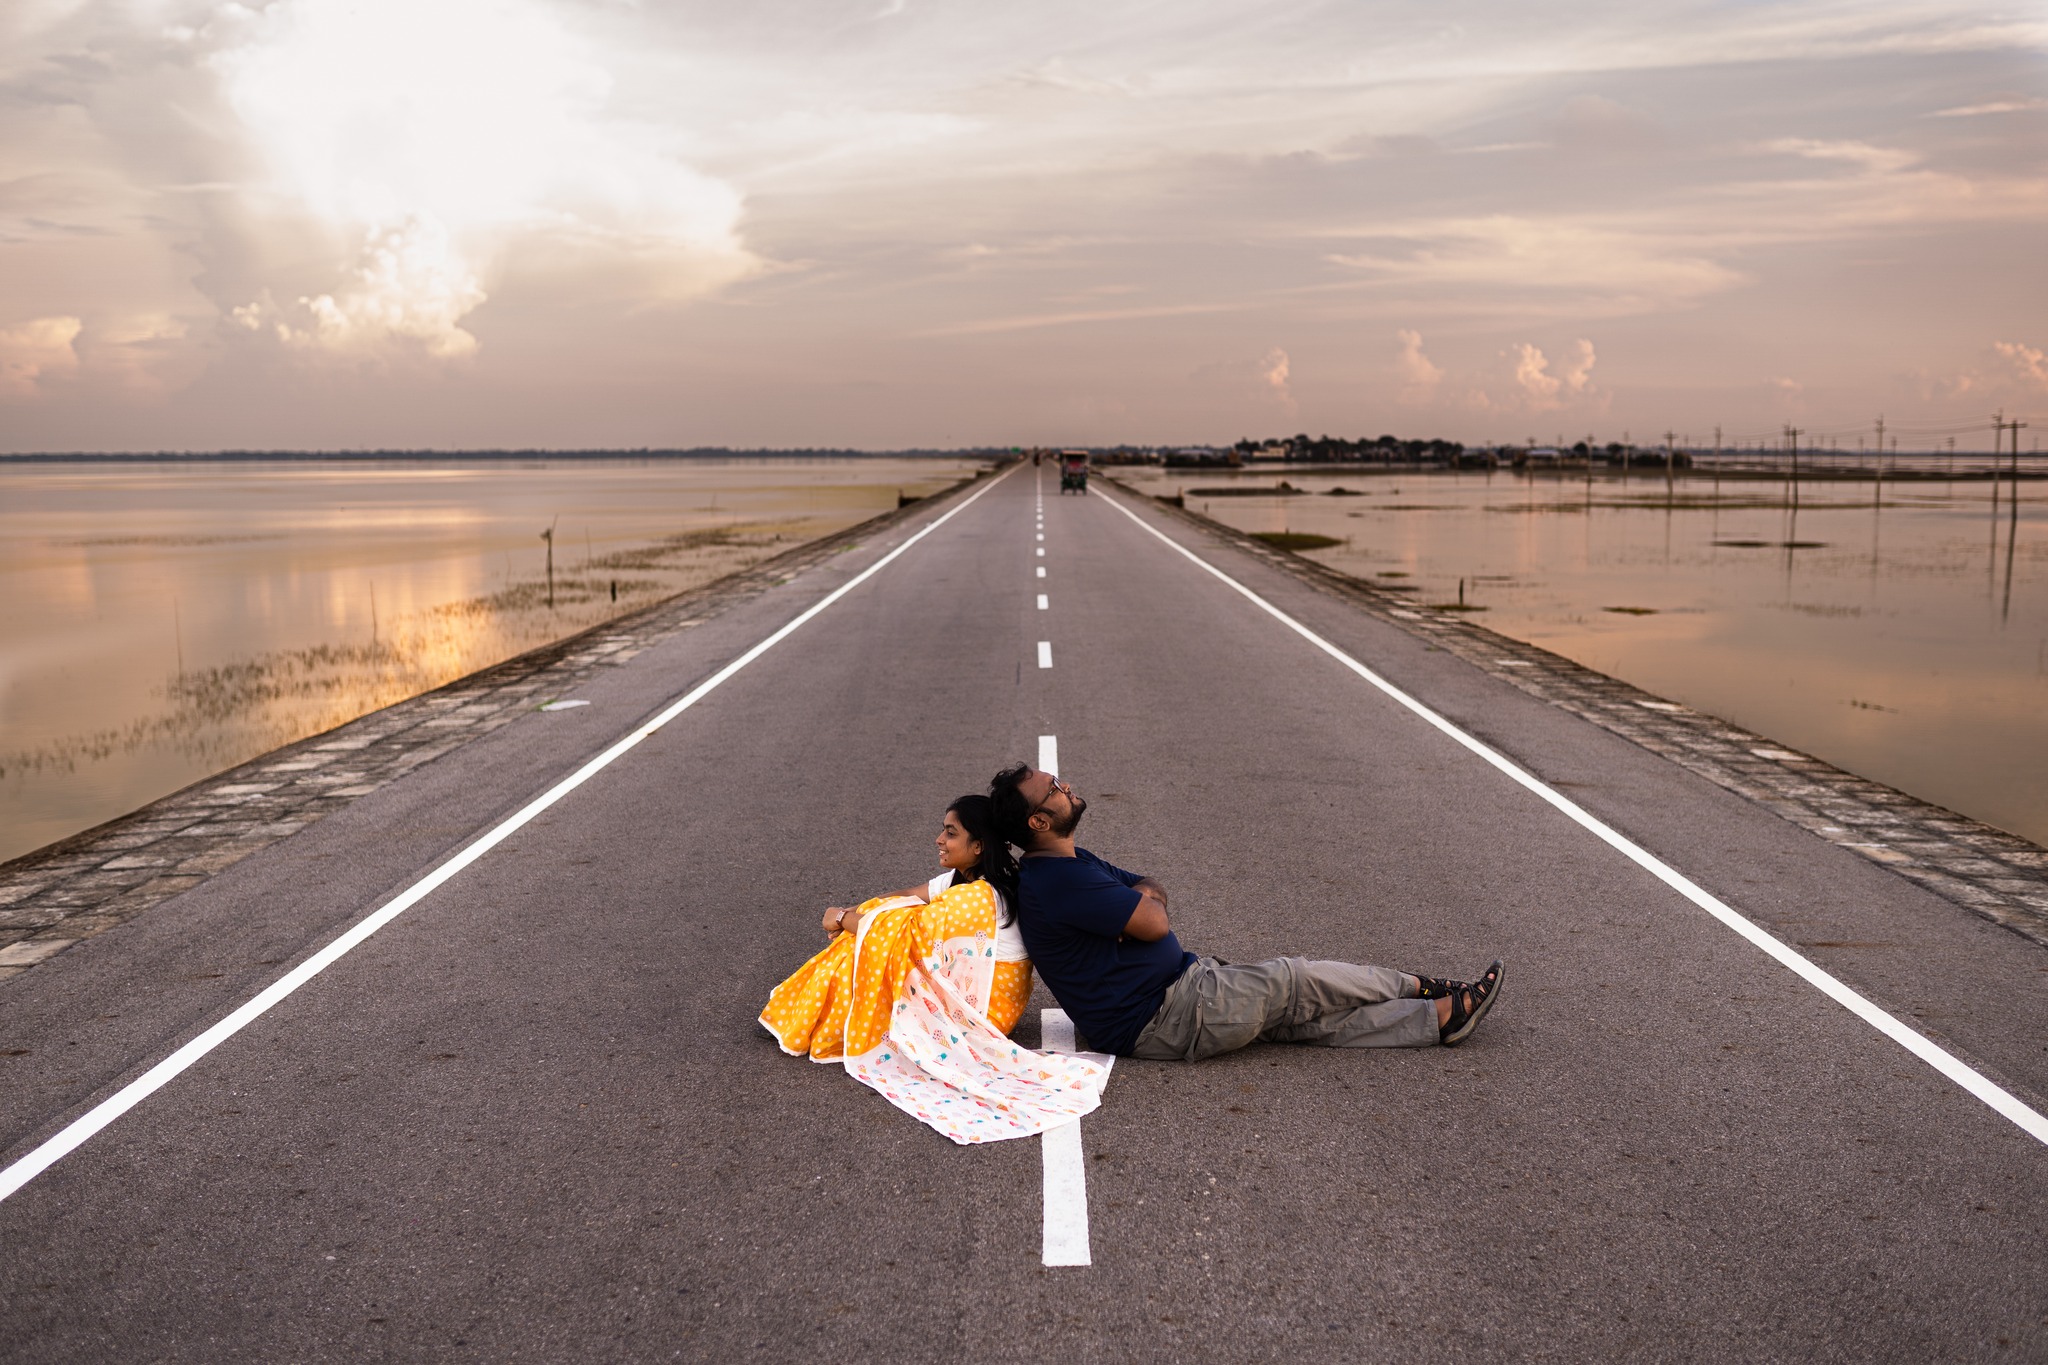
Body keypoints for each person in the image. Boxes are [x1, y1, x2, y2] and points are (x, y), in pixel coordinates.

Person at [988, 764, 1505, 1062]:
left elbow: (1148, 888)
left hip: (1175, 995)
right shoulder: (1062, 880)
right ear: (1038, 820)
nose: (1065, 786)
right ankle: (1422, 987)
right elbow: (1155, 917)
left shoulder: (1068, 862)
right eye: (1052, 789)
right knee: (1295, 980)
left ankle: (1437, 1022)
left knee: (1301, 1022)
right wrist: (1142, 907)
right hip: (1167, 1015)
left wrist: (1142, 903)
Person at [759, 795, 1113, 1144]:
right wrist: (862, 910)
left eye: (950, 833)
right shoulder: (967, 880)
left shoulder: (979, 895)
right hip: (983, 994)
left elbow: (908, 932)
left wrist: (841, 918)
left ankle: (813, 1017)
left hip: (987, 1009)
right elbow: (903, 898)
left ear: (977, 845)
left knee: (871, 941)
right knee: (877, 924)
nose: (939, 840)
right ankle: (815, 1011)